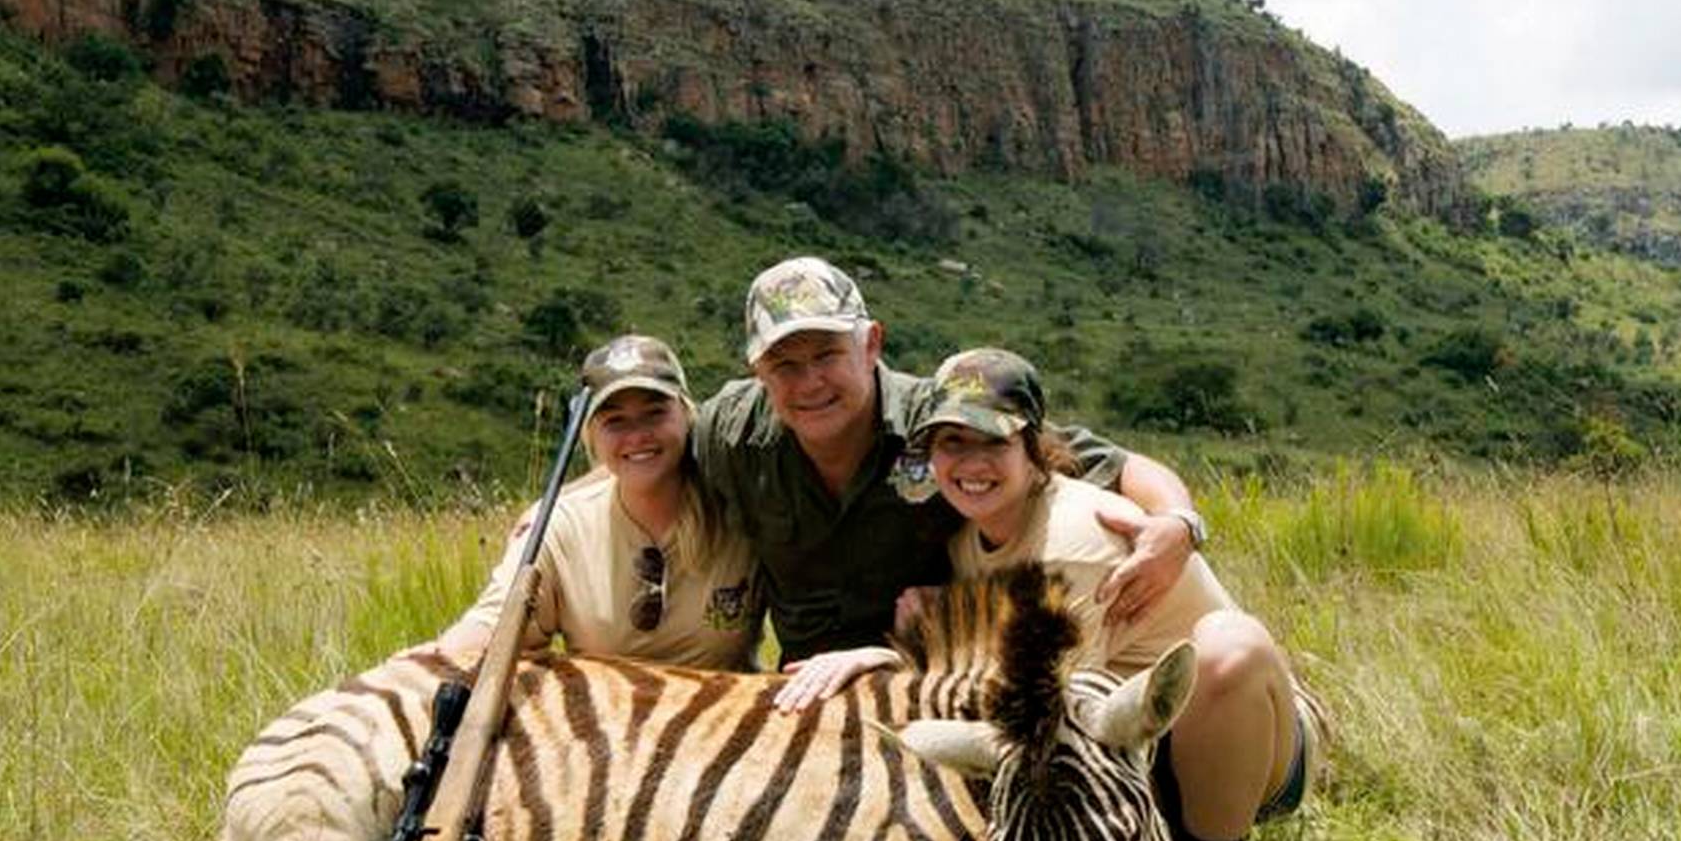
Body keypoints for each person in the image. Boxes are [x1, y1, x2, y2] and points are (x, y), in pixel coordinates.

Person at [909, 346, 1323, 841]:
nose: (971, 462)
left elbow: (1050, 729)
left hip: (1244, 746)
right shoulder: (967, 543)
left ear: (1033, 451)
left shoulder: (1074, 538)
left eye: (994, 442)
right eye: (953, 442)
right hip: (1137, 741)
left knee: (1229, 648)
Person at [684, 255, 1209, 708]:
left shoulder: (942, 420)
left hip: (944, 674)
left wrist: (1178, 524)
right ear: (757, 369)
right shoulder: (727, 433)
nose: (809, 382)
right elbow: (636, 464)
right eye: (784, 364)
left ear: (871, 344)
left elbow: (1115, 464)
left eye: (826, 355)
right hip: (807, 688)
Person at [433, 335, 761, 669]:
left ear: (687, 414)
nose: (637, 435)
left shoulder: (741, 507)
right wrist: (425, 663)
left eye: (654, 413)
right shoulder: (559, 527)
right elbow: (493, 622)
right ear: (590, 435)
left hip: (726, 715)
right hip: (602, 718)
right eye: (615, 420)